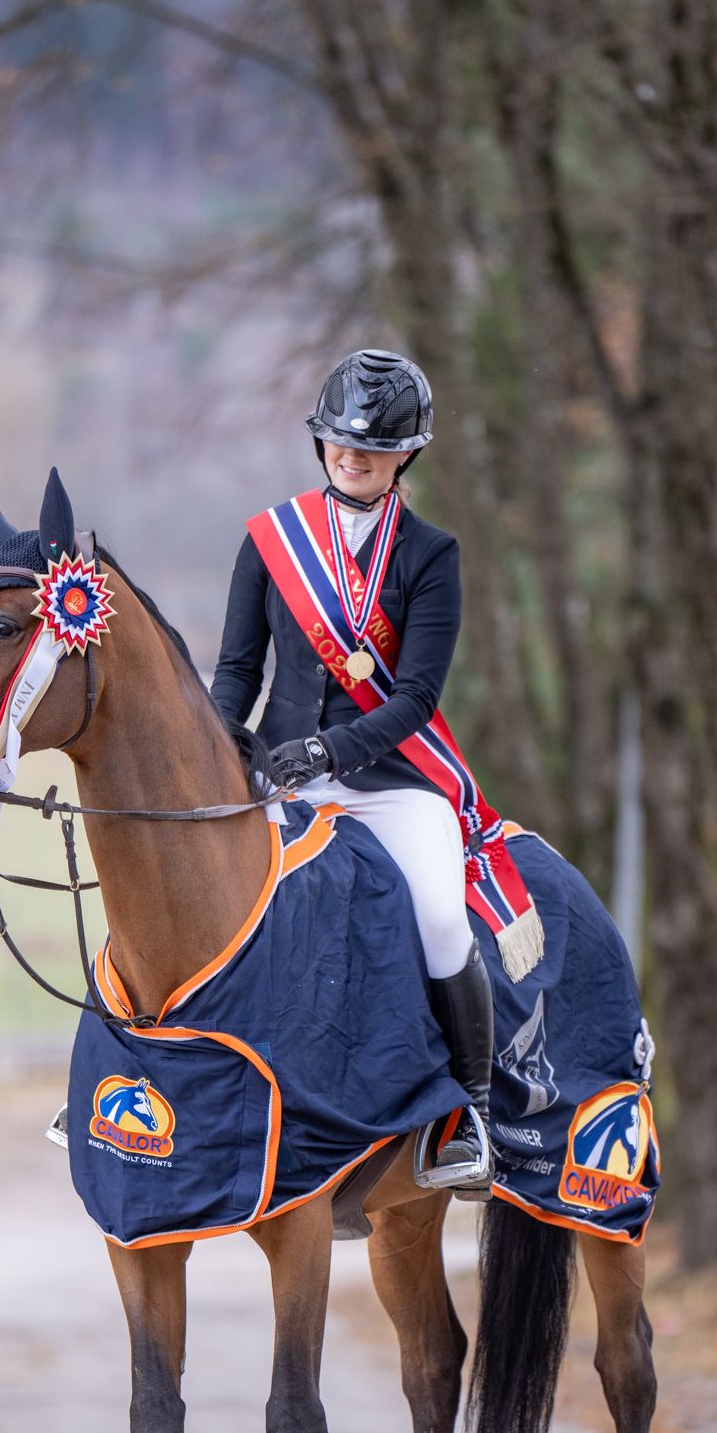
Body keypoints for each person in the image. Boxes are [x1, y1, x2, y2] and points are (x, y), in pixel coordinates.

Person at [210, 348, 497, 1196]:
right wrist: (225, 740)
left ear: (406, 453)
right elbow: (236, 671)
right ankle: (152, 1076)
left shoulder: (430, 555)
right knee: (183, 882)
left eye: (370, 447)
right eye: (338, 442)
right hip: (277, 777)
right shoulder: (271, 541)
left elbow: (415, 697)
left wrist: (334, 751)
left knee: (443, 919)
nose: (351, 456)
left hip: (392, 781)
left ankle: (467, 1114)